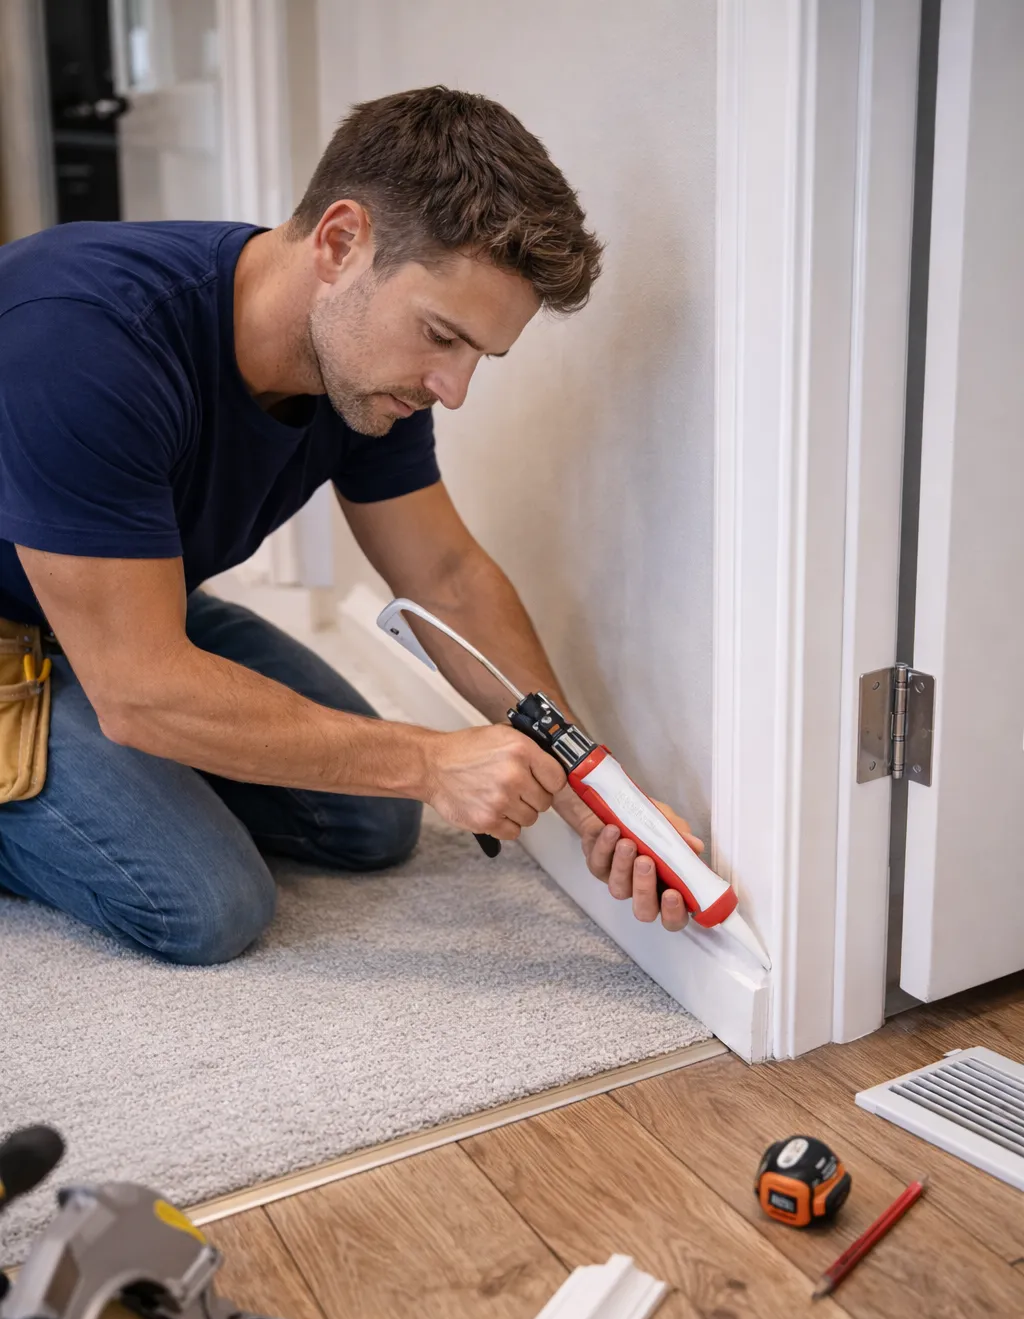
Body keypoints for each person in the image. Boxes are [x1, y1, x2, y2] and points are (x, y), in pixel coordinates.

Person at [0, 85, 700, 965]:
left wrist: (596, 791)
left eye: (479, 354)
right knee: (205, 905)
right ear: (340, 243)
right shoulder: (87, 342)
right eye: (442, 336)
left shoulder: (365, 378)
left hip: (122, 606)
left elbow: (445, 575)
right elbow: (139, 692)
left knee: (371, 821)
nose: (454, 387)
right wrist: (432, 760)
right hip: (46, 633)